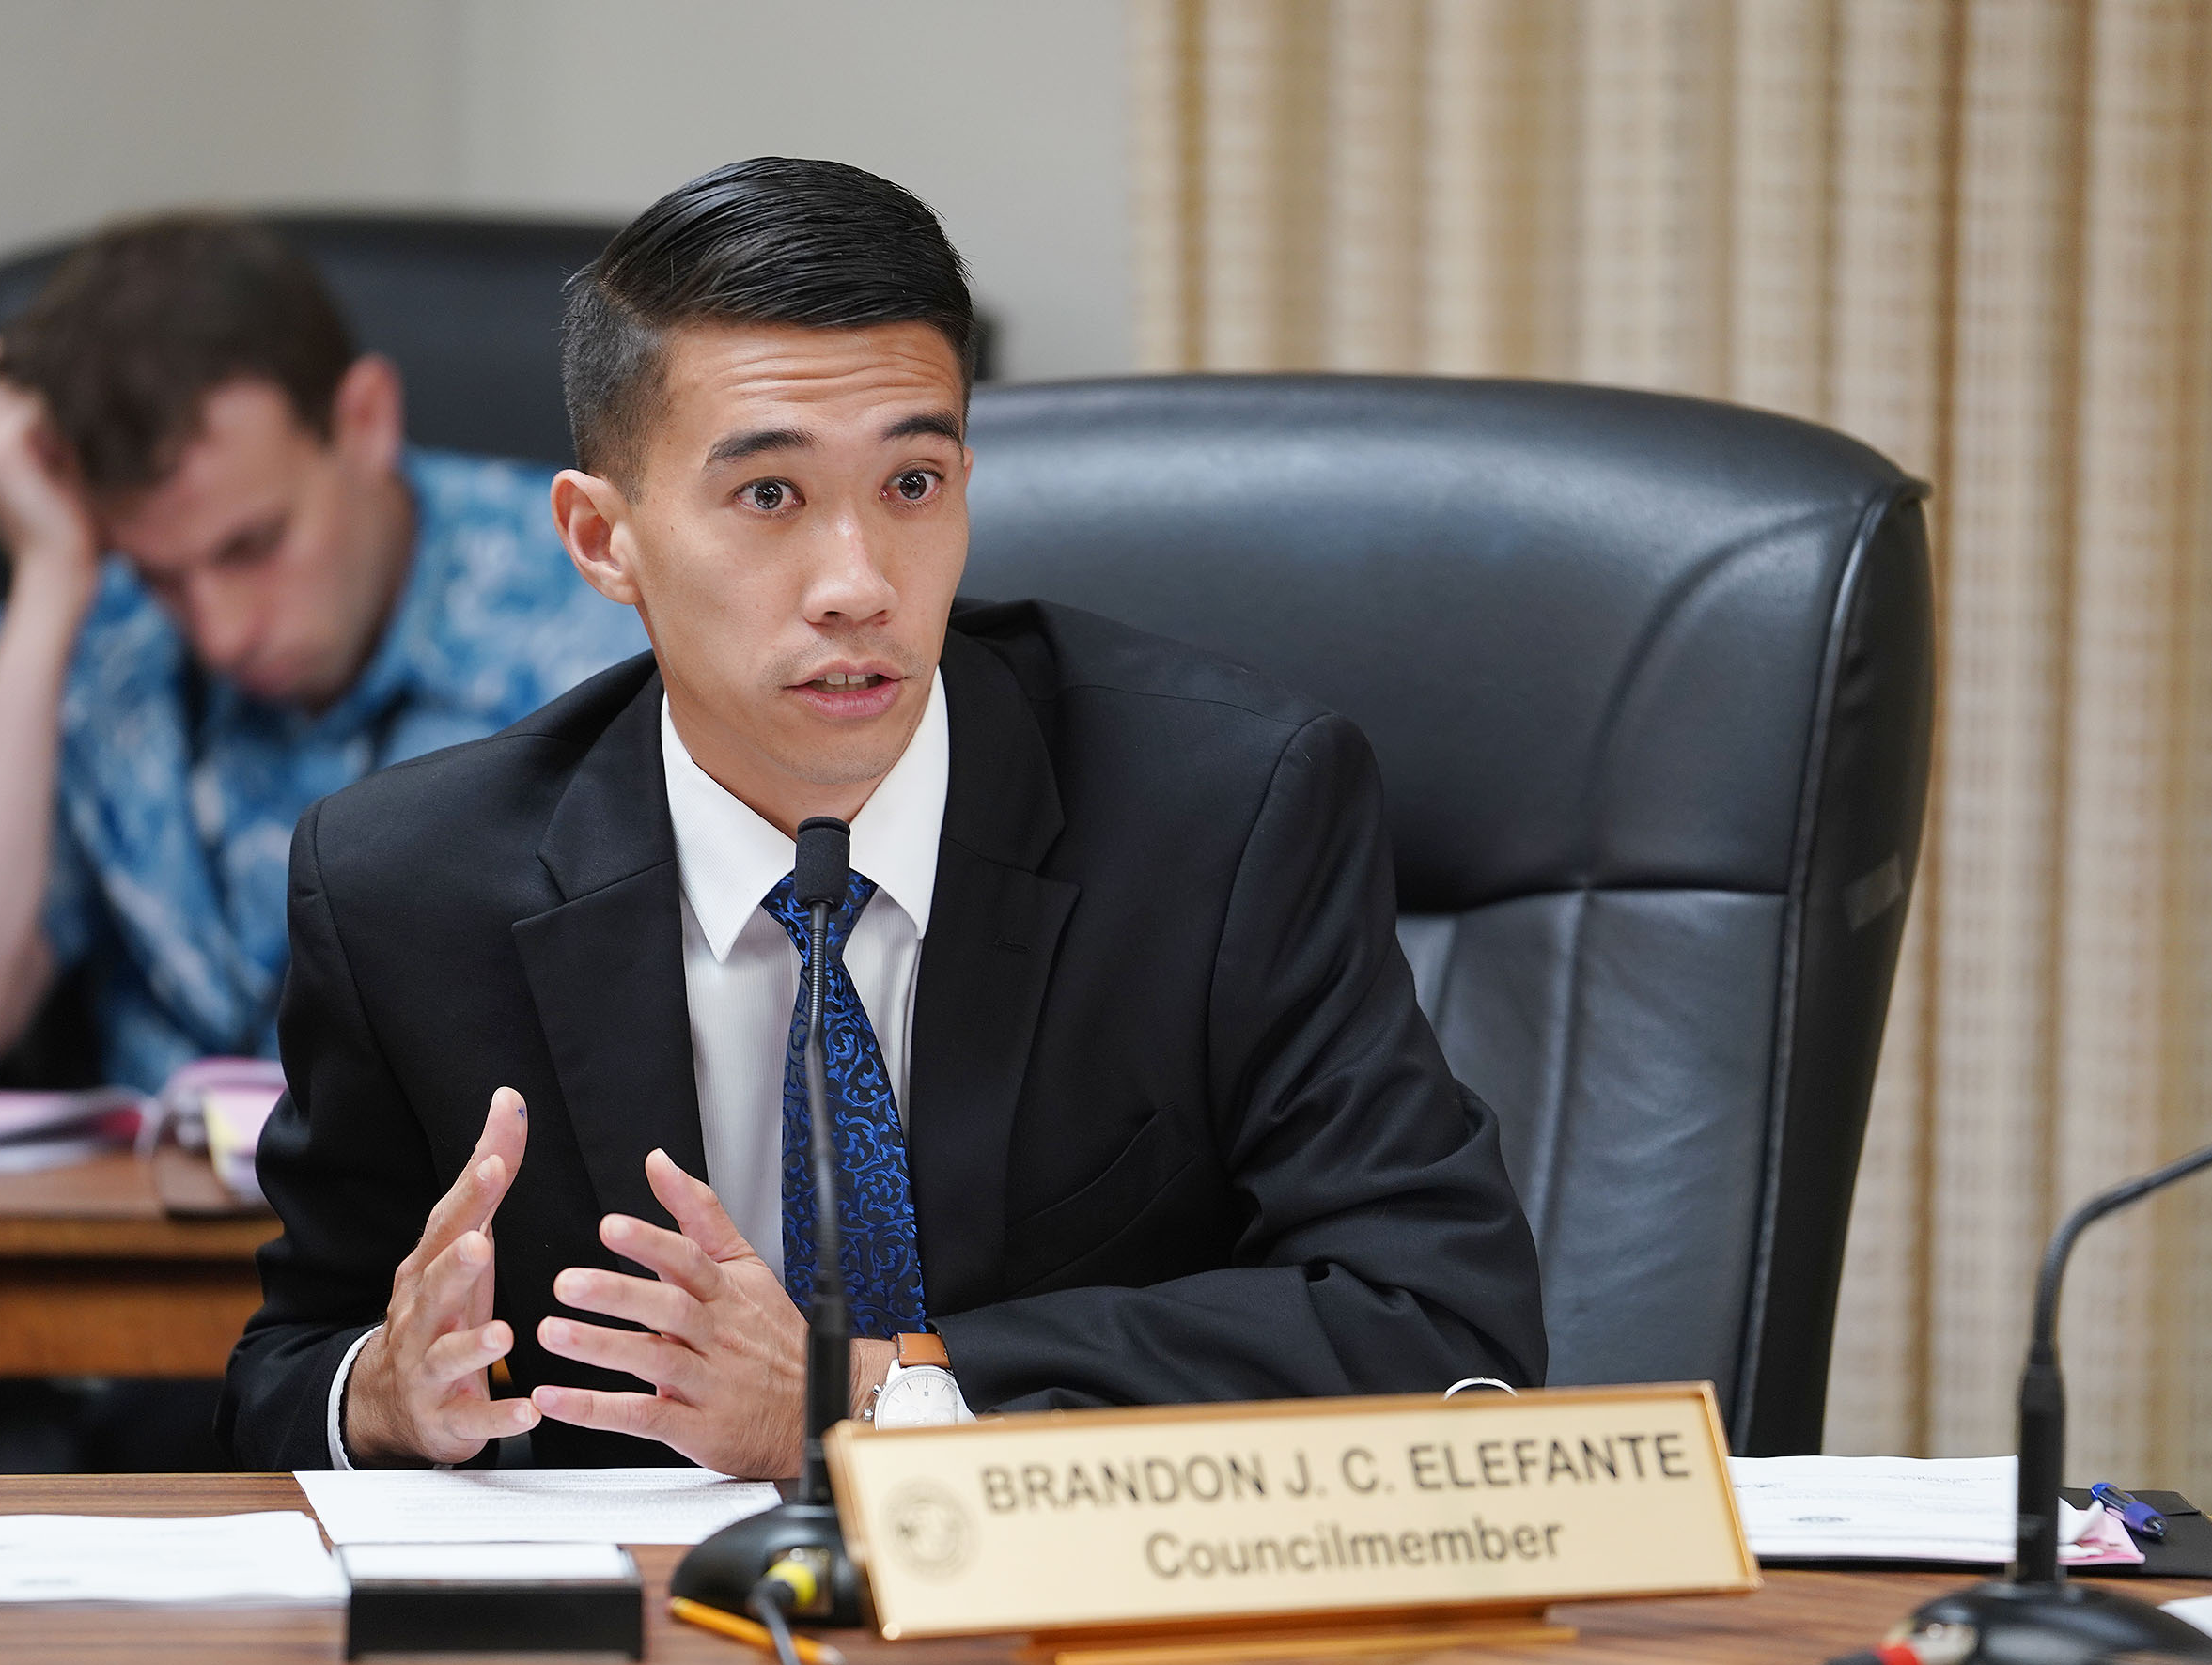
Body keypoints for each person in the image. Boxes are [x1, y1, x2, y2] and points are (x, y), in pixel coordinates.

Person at [221, 158, 1546, 1475]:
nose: (858, 584)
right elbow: (285, 1371)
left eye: (911, 486)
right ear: (601, 539)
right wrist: (381, 1394)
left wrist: (863, 1397)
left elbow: (1434, 1316)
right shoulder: (409, 889)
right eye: (770, 496)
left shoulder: (1226, 816)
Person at [0, 215, 648, 1093]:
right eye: (163, 576)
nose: (220, 631)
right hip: (125, 1223)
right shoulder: (96, 632)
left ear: (364, 420)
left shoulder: (603, 611)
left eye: (253, 546)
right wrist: (46, 575)